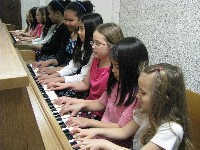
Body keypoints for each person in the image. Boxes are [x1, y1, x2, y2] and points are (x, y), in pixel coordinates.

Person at [72, 63, 193, 150]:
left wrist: (104, 144)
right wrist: (94, 131)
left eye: (143, 93)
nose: (137, 96)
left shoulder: (171, 129)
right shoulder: (146, 112)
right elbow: (123, 131)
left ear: (164, 99)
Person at [50, 23, 124, 120]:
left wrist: (74, 101)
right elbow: (85, 84)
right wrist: (64, 85)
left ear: (112, 46)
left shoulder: (115, 70)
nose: (93, 46)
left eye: (98, 43)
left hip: (99, 113)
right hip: (87, 104)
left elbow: (102, 103)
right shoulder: (96, 59)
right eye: (93, 42)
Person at [33, 1, 95, 75]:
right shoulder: (67, 33)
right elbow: (61, 57)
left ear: (81, 20)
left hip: (73, 73)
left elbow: (77, 68)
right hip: (64, 68)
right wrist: (47, 62)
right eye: (65, 20)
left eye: (71, 20)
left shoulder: (83, 38)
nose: (66, 23)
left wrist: (53, 70)